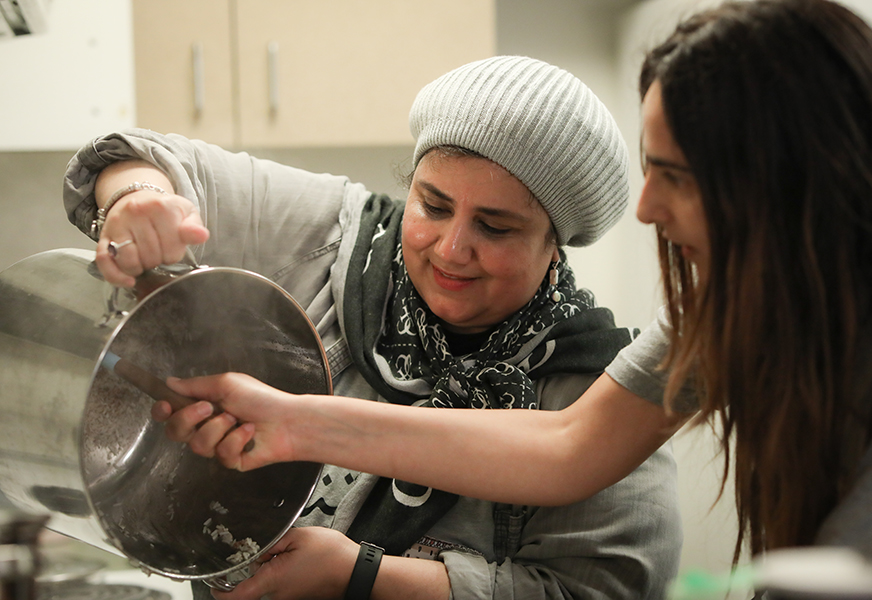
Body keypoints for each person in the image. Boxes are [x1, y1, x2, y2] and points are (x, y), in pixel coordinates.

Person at [156, 0, 872, 573]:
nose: (646, 210)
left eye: (673, 177)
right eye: (434, 204)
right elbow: (569, 447)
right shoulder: (733, 303)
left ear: (779, 179)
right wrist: (295, 423)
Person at [63, 57, 683, 599]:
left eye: (495, 227)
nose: (450, 248)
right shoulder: (340, 237)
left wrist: (362, 577)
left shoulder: (600, 384)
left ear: (556, 245)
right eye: (433, 205)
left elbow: (605, 588)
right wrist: (140, 201)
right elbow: (139, 156)